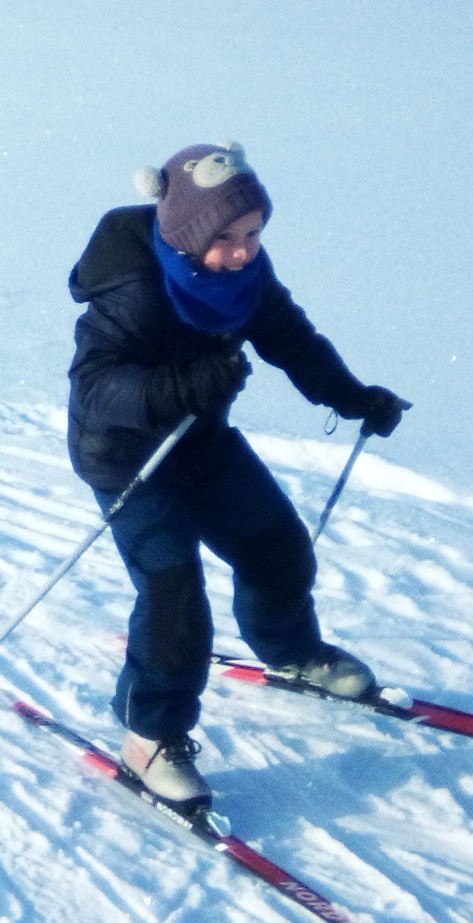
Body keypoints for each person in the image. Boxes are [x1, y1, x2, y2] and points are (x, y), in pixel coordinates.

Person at [66, 142, 408, 816]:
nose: (243, 251)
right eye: (226, 238)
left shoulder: (244, 277)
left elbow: (290, 338)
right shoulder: (133, 288)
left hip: (200, 441)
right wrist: (178, 386)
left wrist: (351, 396)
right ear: (187, 233)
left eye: (253, 233)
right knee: (174, 594)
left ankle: (291, 650)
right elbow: (95, 386)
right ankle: (149, 736)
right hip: (129, 457)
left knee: (278, 548)